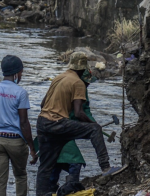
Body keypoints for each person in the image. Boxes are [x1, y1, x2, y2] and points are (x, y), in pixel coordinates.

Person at [36, 53, 113, 196]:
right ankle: (106, 167)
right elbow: (78, 113)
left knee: (45, 167)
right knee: (95, 130)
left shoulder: (58, 78)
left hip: (42, 123)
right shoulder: (78, 83)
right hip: (58, 123)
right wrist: (93, 124)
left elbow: (42, 104)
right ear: (83, 68)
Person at [0, 55, 37, 196]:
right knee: (21, 176)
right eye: (22, 72)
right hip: (16, 142)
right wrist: (32, 148)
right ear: (17, 73)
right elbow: (24, 123)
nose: (22, 75)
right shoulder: (21, 93)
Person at [46, 68, 96, 191]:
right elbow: (81, 113)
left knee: (56, 161)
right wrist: (93, 126)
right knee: (75, 161)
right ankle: (70, 188)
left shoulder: (62, 84)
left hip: (51, 127)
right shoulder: (78, 88)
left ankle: (51, 190)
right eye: (87, 82)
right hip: (62, 129)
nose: (88, 85)